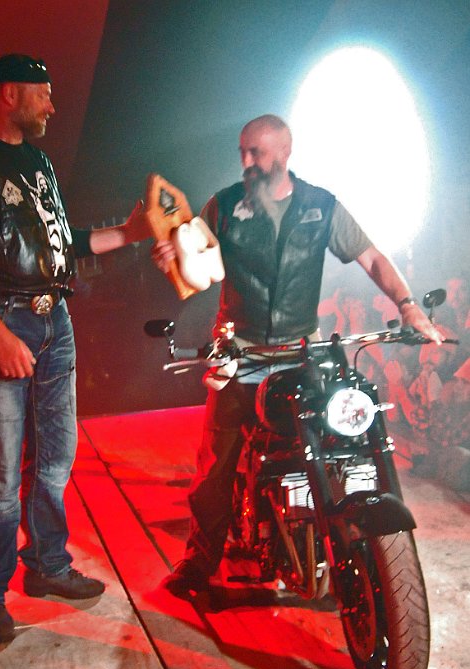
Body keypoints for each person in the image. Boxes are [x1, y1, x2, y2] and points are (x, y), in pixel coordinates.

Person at [151, 113, 444, 598]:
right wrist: (172, 259)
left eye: (257, 153)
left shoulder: (321, 207)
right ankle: (199, 561)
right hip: (242, 355)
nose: (247, 162)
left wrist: (408, 306)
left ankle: (338, 536)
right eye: (243, 152)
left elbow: (371, 256)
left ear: (285, 153)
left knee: (337, 438)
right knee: (215, 465)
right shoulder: (223, 206)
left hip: (303, 353)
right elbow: (195, 264)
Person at [0, 54, 148, 643]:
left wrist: (128, 234)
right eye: (43, 93)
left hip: (56, 323)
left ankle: (48, 565)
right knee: (0, 474)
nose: (52, 105)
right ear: (8, 94)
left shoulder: (40, 162)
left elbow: (63, 244)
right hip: (2, 320)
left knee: (56, 457)